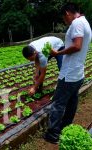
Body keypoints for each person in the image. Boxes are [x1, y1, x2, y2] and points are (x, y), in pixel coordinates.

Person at [43, 2, 92, 144]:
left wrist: (58, 52)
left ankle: (52, 134)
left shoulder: (76, 24)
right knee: (71, 102)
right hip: (78, 73)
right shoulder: (85, 22)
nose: (65, 22)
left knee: (58, 103)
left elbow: (77, 46)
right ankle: (64, 128)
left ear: (67, 13)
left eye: (64, 19)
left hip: (69, 74)